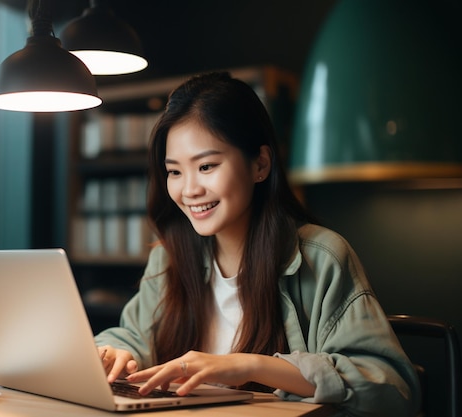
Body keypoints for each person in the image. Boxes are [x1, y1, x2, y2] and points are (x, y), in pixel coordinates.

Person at [94, 72, 421, 416]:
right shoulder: (168, 258)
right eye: (174, 171)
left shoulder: (321, 257)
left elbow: (391, 389)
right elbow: (133, 336)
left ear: (260, 164)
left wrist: (251, 366)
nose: (188, 190)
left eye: (206, 166)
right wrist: (113, 352)